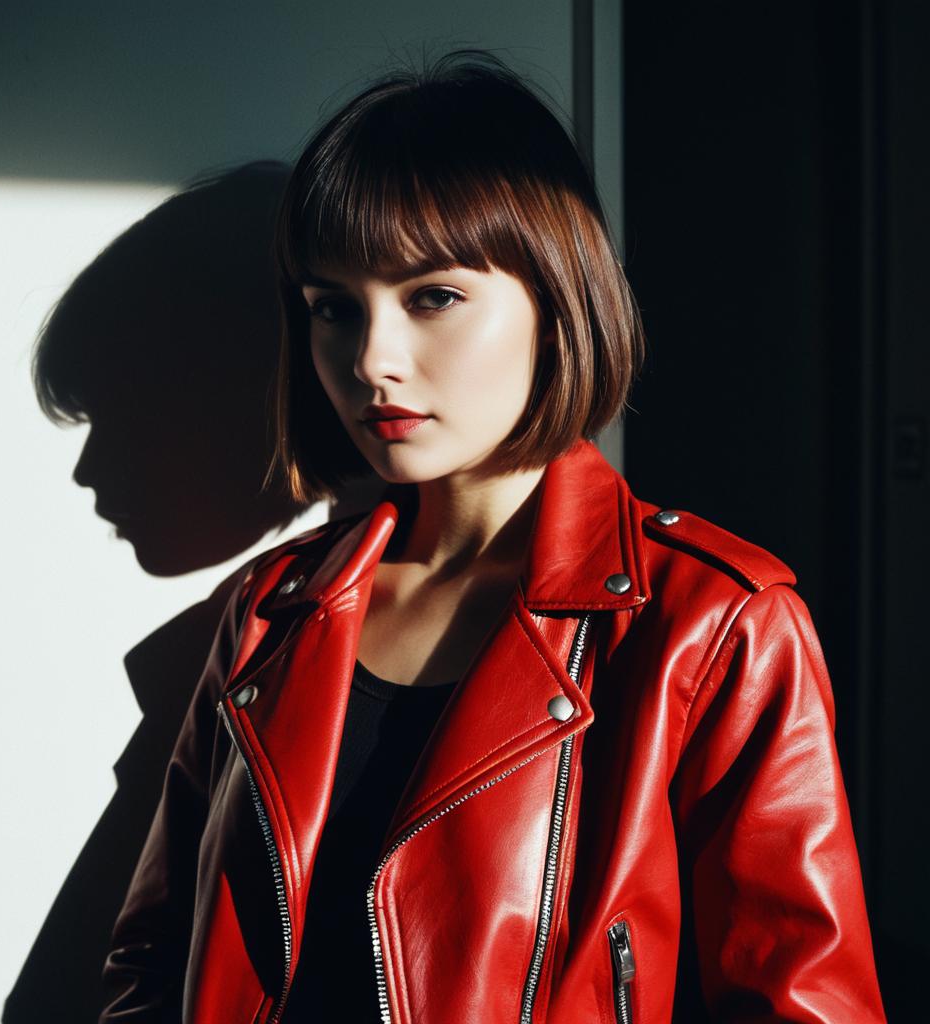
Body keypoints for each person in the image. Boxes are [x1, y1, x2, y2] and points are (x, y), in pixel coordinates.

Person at [99, 50, 887, 1023]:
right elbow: (152, 961)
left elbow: (802, 1001)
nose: (372, 359)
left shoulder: (713, 625)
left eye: (432, 296)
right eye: (334, 310)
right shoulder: (270, 613)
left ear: (555, 298)